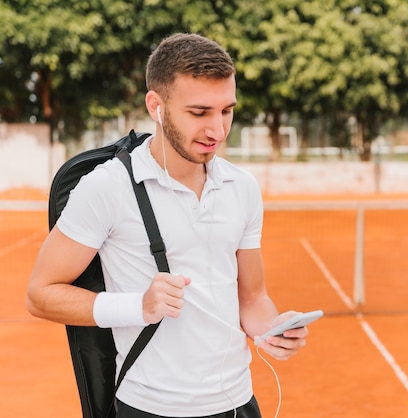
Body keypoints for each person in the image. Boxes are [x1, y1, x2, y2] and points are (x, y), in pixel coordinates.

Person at [26, 33, 309, 418]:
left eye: (227, 110)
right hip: (150, 407)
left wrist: (271, 330)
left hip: (238, 403)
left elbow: (252, 299)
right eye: (199, 112)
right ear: (156, 106)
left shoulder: (241, 187)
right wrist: (137, 306)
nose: (218, 130)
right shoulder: (107, 187)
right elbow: (40, 294)